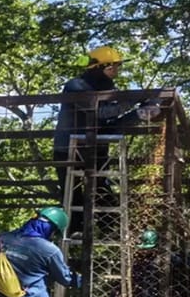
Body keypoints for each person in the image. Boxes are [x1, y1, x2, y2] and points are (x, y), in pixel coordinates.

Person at [52, 45, 162, 234]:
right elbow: (100, 112)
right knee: (72, 196)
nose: (117, 70)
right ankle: (74, 232)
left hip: (96, 146)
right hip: (68, 149)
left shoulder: (107, 88)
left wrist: (140, 109)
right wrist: (134, 99)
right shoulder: (76, 86)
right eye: (115, 66)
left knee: (102, 189)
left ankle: (109, 229)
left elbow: (112, 118)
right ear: (104, 67)